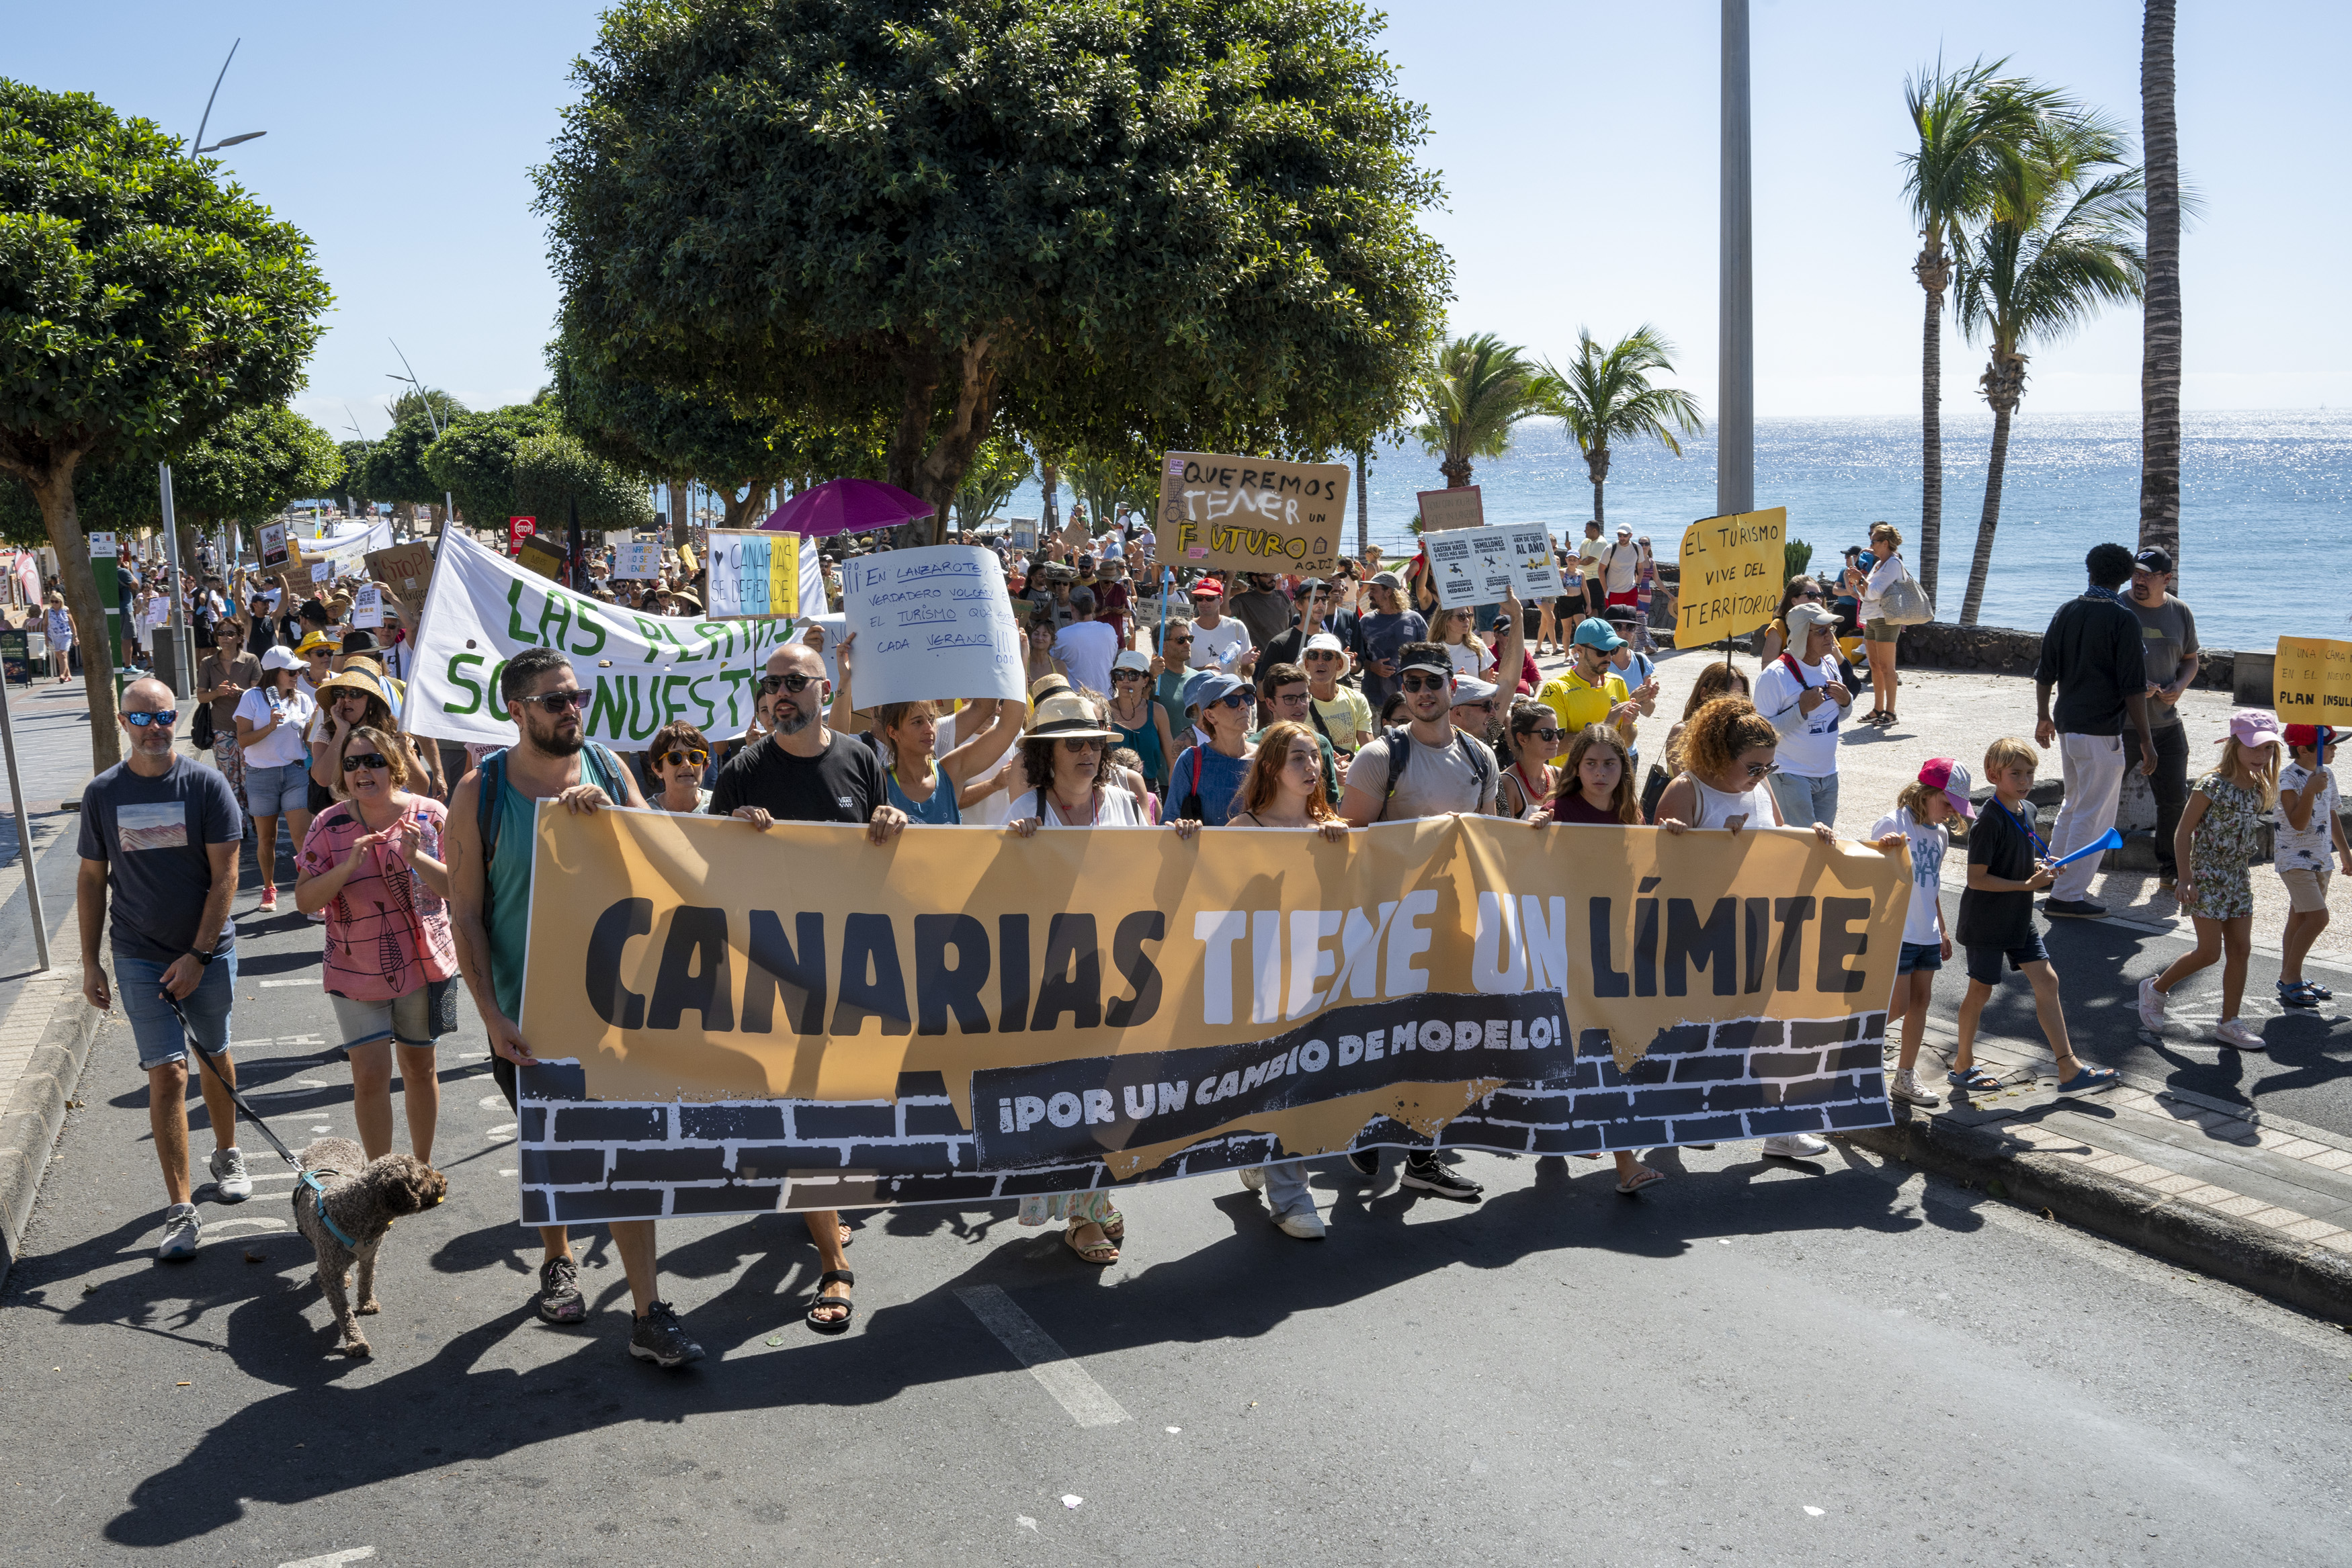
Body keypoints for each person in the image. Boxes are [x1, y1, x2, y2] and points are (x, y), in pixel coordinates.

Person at [445, 648, 700, 1364]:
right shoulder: (480, 792)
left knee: (624, 1157)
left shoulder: (611, 772)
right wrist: (492, 1018)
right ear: (516, 710)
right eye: (555, 700)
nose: (572, 710)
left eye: (578, 696)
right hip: (527, 1015)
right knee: (555, 1151)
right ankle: (557, 1257)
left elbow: (662, 861)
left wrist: (612, 818)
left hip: (611, 1007)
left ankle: (648, 1311)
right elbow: (465, 914)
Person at [710, 638, 908, 1334]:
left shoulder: (860, 758)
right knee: (797, 1112)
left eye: (793, 681)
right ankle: (833, 1264)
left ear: (825, 689)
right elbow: (706, 879)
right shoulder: (739, 772)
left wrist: (892, 825)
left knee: (840, 1106)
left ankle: (820, 1197)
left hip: (850, 965)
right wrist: (730, 838)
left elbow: (883, 863)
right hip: (773, 972)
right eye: (768, 684)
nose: (778, 694)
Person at [1008, 701, 1197, 1260]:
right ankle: (1080, 1218)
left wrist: (1176, 838)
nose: (1088, 752)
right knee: (1069, 1097)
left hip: (1117, 974)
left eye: (1094, 743)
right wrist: (1013, 852)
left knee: (1112, 1095)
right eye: (1074, 744)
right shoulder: (1024, 809)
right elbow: (1000, 902)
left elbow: (1142, 871)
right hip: (1053, 982)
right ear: (1048, 754)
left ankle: (1094, 1198)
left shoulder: (1121, 800)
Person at [76, 677, 248, 1260]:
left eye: (165, 716)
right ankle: (181, 1209)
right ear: (124, 723)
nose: (155, 727)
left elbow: (227, 875)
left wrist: (198, 955)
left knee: (212, 1053)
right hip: (137, 952)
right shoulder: (103, 793)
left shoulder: (205, 784)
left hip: (208, 952)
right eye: (142, 718)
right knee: (168, 1073)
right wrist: (89, 962)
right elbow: (92, 879)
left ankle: (226, 1152)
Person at [1334, 642, 1495, 1203]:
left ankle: (1424, 1157)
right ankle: (1362, 1124)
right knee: (1380, 1035)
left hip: (1451, 923)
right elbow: (1351, 840)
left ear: (1455, 686)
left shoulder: (1480, 758)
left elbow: (1490, 842)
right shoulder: (1380, 756)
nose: (1423, 693)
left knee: (1439, 1041)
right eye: (1412, 684)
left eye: (1433, 682)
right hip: (1386, 923)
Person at [1654, 697, 1844, 1157]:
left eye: (1769, 768)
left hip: (1758, 929)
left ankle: (1779, 1129)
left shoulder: (1760, 788)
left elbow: (1779, 839)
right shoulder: (1686, 790)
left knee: (1769, 1034)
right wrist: (1713, 848)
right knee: (1699, 1039)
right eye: (1754, 767)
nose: (1763, 776)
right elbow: (1656, 874)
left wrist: (1810, 838)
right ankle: (1679, 1118)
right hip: (1700, 938)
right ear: (1722, 755)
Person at [294, 724, 457, 1164]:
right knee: (369, 1075)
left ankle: (421, 1171)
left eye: (373, 761)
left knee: (421, 1069)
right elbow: (305, 898)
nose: (362, 771)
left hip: (429, 965)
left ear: (395, 766)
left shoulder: (431, 815)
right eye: (352, 763)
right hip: (354, 968)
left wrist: (416, 857)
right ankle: (382, 1179)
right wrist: (346, 868)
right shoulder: (329, 825)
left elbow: (459, 890)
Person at [1226, 721, 1351, 1238]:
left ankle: (1269, 1161)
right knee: (1280, 1084)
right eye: (1299, 757)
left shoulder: (1332, 829)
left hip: (1320, 980)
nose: (1311, 767)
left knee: (1304, 1086)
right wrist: (1188, 842)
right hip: (1263, 982)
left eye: (1315, 758)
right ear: (1273, 766)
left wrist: (1344, 851)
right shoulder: (1242, 831)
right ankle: (1290, 1197)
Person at [1949, 736, 2117, 1096]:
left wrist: (2039, 867)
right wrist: (2028, 885)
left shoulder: (2027, 810)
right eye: (2016, 774)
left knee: (2048, 981)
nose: (2025, 781)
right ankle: (1962, 1064)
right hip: (1986, 921)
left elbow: (2015, 864)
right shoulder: (1988, 822)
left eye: (2030, 773)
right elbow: (1976, 879)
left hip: (2017, 916)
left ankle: (2068, 1068)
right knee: (1980, 991)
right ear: (1993, 775)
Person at [1534, 723, 1663, 1192]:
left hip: (1616, 948)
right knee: (1573, 1047)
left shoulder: (1632, 812)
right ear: (1576, 768)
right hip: (1569, 948)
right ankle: (1566, 1129)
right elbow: (1528, 850)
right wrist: (1535, 827)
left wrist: (1672, 840)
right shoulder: (1561, 809)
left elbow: (1650, 869)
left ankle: (1622, 1158)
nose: (1600, 772)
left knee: (1609, 1050)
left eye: (1610, 763)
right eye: (1590, 763)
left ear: (1623, 769)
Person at [2137, 713, 2285, 1051]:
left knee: (2241, 950)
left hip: (2237, 877)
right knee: (2208, 952)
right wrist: (2184, 878)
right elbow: (2182, 832)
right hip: (2205, 877)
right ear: (2235, 745)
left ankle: (2229, 1022)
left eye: (2268, 750)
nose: (2262, 756)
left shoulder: (2259, 787)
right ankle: (2157, 989)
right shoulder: (2212, 785)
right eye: (2255, 748)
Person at [2033, 542, 2159, 919]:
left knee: (2073, 805)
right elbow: (2133, 687)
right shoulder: (2123, 619)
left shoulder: (2068, 611)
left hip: (2068, 724)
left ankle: (2053, 874)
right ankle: (2068, 896)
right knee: (2095, 813)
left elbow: (2045, 671)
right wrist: (2148, 740)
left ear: (2090, 571)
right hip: (2102, 729)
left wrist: (2043, 715)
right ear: (2124, 577)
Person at [1872, 760, 1972, 1108]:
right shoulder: (1892, 822)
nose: (1949, 814)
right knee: (1897, 1004)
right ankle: (1846, 1047)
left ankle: (1904, 1076)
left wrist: (1942, 928)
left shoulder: (1940, 834)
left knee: (1919, 1004)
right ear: (1927, 793)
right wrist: (1881, 849)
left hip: (1926, 931)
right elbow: (1869, 873)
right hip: (1896, 929)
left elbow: (1932, 885)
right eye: (1947, 805)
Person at [2123, 546, 2199, 891]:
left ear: (2166, 579)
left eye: (2148, 575)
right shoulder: (2118, 608)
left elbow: (2190, 659)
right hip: (2121, 726)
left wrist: (2179, 686)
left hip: (2167, 723)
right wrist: (2137, 685)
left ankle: (2169, 868)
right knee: (2095, 797)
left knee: (2173, 800)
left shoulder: (2180, 612)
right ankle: (2072, 869)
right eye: (2136, 573)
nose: (2140, 580)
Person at [1750, 601, 1852, 829]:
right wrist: (1800, 710)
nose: (1830, 637)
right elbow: (1760, 733)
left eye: (1831, 630)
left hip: (1828, 774)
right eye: (1822, 631)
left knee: (1823, 846)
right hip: (1790, 774)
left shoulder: (1830, 665)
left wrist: (1847, 702)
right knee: (1802, 845)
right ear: (1802, 634)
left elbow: (1836, 717)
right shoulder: (1774, 676)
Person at [234, 646, 317, 914]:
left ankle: (311, 890)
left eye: (299, 670)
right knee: (267, 839)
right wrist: (270, 726)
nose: (297, 675)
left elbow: (308, 740)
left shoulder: (303, 700)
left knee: (302, 837)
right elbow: (243, 740)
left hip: (294, 772)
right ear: (274, 672)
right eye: (291, 671)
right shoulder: (252, 698)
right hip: (261, 774)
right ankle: (268, 888)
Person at [2275, 725, 2349, 1008]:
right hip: (2294, 861)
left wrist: (2344, 853)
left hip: (2321, 859)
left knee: (2300, 918)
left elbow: (2331, 813)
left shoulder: (2326, 774)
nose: (2335, 749)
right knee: (2318, 919)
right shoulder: (2288, 778)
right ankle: (2290, 975)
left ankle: (2291, 974)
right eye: (2328, 745)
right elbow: (2298, 822)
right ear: (2304, 750)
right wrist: (2309, 791)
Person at [1535, 619, 1640, 750]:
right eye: (1601, 651)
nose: (1608, 658)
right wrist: (1606, 727)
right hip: (1568, 771)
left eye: (1612, 650)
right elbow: (1553, 745)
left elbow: (1627, 743)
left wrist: (1627, 725)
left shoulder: (1617, 683)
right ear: (1579, 649)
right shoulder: (1556, 689)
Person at [1169, 670, 1257, 826]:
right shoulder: (1190, 760)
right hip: (1208, 850)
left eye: (1247, 699)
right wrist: (1181, 827)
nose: (1244, 705)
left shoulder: (1267, 757)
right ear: (1210, 715)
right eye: (1232, 701)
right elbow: (1169, 819)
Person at [1843, 523, 1909, 726]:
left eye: (1874, 541)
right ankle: (1878, 708)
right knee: (1875, 666)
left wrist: (1860, 579)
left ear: (1886, 543)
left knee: (1887, 667)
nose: (1870, 544)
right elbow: (1865, 595)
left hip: (1886, 619)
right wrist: (1858, 581)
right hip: (1872, 618)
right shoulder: (1880, 564)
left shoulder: (1893, 564)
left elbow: (1874, 592)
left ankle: (1891, 712)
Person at [1250, 662, 1341, 808]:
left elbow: (1329, 805)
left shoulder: (1321, 744)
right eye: (1290, 699)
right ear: (1270, 704)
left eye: (1304, 697)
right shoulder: (1253, 747)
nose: (1300, 705)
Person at [196, 619, 261, 824]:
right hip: (221, 729)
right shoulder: (208, 663)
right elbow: (201, 697)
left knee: (249, 778)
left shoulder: (250, 661)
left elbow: (258, 694)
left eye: (230, 633)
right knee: (230, 780)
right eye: (221, 633)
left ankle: (257, 817)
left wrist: (241, 693)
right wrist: (217, 693)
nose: (225, 637)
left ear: (240, 638)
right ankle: (238, 822)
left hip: (249, 729)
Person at [1350, 570, 1427, 713]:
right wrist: (1372, 666)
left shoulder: (1414, 620)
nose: (1369, 594)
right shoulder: (1366, 622)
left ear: (1388, 592)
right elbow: (1357, 658)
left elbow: (1428, 655)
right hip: (1374, 701)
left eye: (1374, 590)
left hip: (1410, 700)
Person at [1105, 650, 1177, 791]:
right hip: (1111, 788)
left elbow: (1172, 760)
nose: (1125, 680)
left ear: (1145, 680)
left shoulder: (1157, 712)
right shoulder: (1103, 710)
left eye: (1133, 675)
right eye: (1120, 675)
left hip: (1149, 789)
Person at [1301, 631, 1373, 754]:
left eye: (1327, 656)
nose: (1320, 661)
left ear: (1339, 664)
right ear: (1307, 664)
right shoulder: (1296, 703)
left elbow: (1370, 751)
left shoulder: (1357, 700)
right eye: (1313, 656)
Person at [1497, 701, 1562, 820]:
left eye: (1558, 733)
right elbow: (1503, 834)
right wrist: (1527, 827)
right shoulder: (1507, 783)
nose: (1556, 740)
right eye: (1547, 734)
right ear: (1522, 739)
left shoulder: (1559, 775)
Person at [1052, 586, 1120, 695]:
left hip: (1078, 701)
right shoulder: (1109, 630)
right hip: (1106, 698)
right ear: (1094, 606)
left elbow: (1052, 661)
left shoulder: (1063, 634)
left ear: (1071, 606)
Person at [644, 720, 715, 814]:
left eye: (694, 757)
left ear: (705, 767)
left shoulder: (722, 806)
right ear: (657, 769)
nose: (686, 764)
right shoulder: (645, 813)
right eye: (675, 758)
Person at [1228, 572, 1294, 652]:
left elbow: (1294, 625)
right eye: (1267, 575)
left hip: (1282, 659)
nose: (1272, 578)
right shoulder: (1242, 600)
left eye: (1273, 574)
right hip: (1257, 660)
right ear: (1255, 578)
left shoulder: (1282, 596)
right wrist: (1229, 579)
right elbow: (1223, 613)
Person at [1434, 605, 1496, 682]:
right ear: (1446, 620)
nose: (1467, 620)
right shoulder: (1434, 651)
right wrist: (1454, 681)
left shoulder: (1478, 646)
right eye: (1461, 616)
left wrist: (1490, 682)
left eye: (1469, 616)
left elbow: (1485, 684)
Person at [1598, 523, 1640, 610]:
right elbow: (1600, 570)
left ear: (1631, 535)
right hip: (1613, 592)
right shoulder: (1610, 549)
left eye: (1625, 535)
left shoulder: (1637, 548)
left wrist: (1638, 585)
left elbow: (1641, 567)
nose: (1622, 538)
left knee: (1630, 620)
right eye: (1619, 535)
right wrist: (1606, 590)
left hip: (1631, 591)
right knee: (1614, 621)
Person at [44, 590, 72, 683]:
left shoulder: (66, 609)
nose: (54, 604)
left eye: (56, 601)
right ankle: (68, 675)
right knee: (59, 656)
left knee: (63, 654)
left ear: (61, 601)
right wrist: (46, 638)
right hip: (53, 636)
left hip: (65, 635)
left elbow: (72, 623)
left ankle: (62, 675)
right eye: (52, 602)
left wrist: (75, 636)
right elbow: (45, 624)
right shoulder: (48, 611)